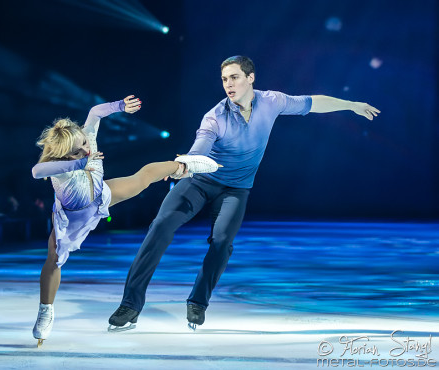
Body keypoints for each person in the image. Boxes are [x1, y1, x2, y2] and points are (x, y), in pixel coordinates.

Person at [108, 56, 380, 331]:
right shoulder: (215, 117)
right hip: (200, 181)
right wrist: (184, 165)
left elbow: (312, 102)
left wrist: (351, 105)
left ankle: (197, 303)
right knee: (161, 226)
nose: (228, 84)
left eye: (235, 77)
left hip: (236, 189)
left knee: (222, 241)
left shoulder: (272, 101)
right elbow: (199, 149)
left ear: (251, 78)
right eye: (225, 79)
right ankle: (130, 304)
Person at [31, 95, 219, 346]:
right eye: (78, 150)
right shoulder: (60, 168)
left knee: (142, 178)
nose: (87, 149)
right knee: (54, 259)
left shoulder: (86, 141)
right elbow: (36, 171)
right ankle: (46, 310)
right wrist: (80, 163)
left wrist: (119, 106)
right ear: (67, 155)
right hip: (73, 217)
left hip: (100, 195)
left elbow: (95, 112)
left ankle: (182, 167)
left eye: (85, 143)